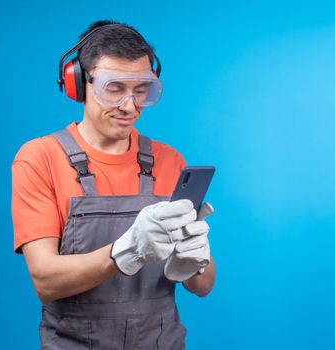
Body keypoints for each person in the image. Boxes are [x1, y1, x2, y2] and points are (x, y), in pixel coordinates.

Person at [11, 20, 216, 349]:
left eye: (141, 90)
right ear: (78, 83)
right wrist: (126, 251)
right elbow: (45, 280)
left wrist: (194, 262)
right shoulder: (40, 158)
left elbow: (203, 286)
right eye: (114, 88)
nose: (129, 106)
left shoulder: (169, 160)